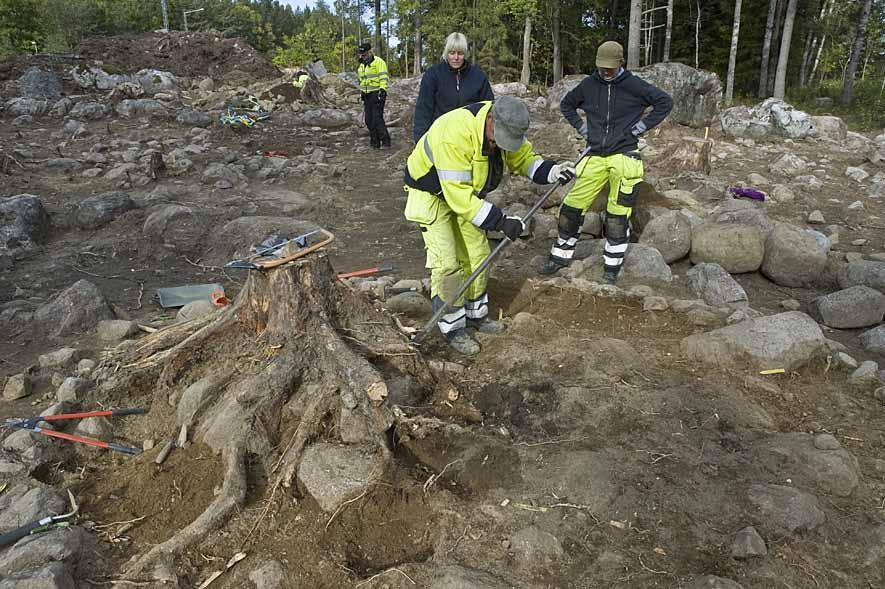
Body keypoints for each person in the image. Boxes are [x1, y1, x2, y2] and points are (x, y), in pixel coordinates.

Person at [404, 96, 576, 355]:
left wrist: (552, 172)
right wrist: (502, 221)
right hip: (433, 197)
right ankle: (452, 327)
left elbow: (525, 159)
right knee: (448, 264)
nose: (499, 146)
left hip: (466, 198)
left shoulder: (505, 124)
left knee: (478, 255)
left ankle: (476, 315)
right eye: (497, 140)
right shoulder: (455, 134)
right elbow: (458, 197)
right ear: (491, 119)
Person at [539, 40, 672, 284]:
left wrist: (640, 128)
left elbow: (665, 102)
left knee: (617, 216)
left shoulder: (634, 85)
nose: (606, 71)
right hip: (595, 154)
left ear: (620, 62)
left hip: (625, 155)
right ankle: (560, 257)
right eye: (602, 66)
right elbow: (567, 105)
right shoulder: (590, 84)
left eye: (610, 66)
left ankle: (611, 268)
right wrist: (582, 127)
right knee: (570, 208)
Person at [412, 32, 494, 144]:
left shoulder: (478, 76)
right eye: (452, 53)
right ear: (446, 53)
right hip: (440, 138)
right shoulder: (433, 75)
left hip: (470, 138)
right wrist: (420, 141)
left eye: (460, 53)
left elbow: (488, 108)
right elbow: (423, 110)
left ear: (465, 54)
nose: (455, 58)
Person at [357, 42, 390, 149]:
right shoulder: (361, 65)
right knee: (368, 120)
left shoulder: (379, 62)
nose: (362, 57)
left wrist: (383, 90)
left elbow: (383, 77)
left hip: (377, 93)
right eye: (361, 55)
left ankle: (385, 141)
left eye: (364, 54)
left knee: (377, 118)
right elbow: (362, 80)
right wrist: (362, 91)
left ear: (370, 52)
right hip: (367, 95)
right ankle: (375, 142)